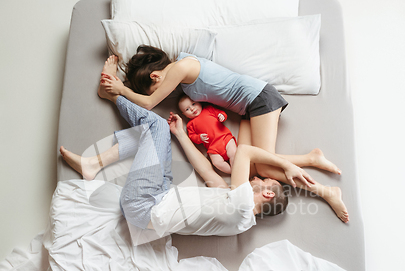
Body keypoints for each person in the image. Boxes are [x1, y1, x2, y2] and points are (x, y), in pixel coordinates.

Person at [98, 50, 349, 223]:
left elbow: (150, 103)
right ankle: (309, 158)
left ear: (156, 76)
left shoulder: (181, 67)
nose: (164, 92)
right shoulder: (183, 74)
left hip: (259, 99)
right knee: (251, 171)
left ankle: (326, 191)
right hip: (248, 108)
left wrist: (120, 88)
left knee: (262, 165)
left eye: (157, 86)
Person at [178, 95, 237, 174]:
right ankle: (232, 172)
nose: (192, 109)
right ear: (184, 114)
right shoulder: (190, 124)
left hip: (225, 138)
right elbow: (192, 137)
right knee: (216, 162)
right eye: (187, 109)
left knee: (233, 152)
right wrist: (199, 138)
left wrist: (222, 116)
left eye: (193, 104)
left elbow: (221, 113)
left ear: (199, 102)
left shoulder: (208, 109)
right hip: (213, 147)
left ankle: (237, 169)